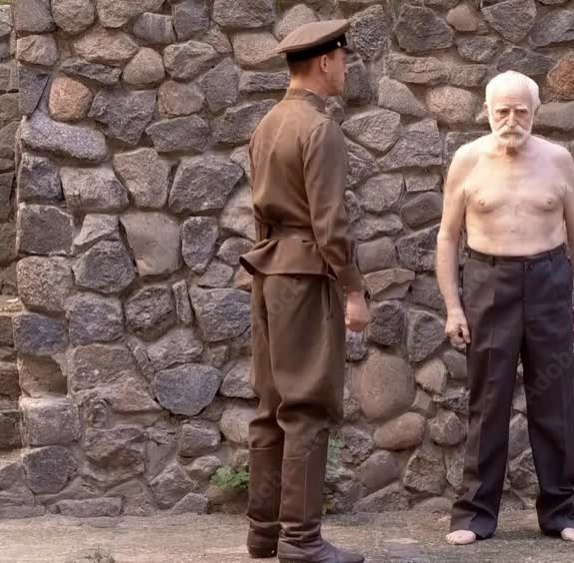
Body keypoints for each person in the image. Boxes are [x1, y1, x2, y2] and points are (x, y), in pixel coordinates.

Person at [435, 70, 574, 546]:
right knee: (488, 400)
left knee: (555, 400)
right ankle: (473, 515)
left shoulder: (558, 160)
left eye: (521, 111)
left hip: (548, 282)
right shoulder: (467, 160)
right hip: (488, 283)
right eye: (502, 111)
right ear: (486, 111)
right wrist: (453, 307)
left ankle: (561, 513)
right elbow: (447, 237)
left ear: (536, 112)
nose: (511, 120)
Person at [238, 19, 369, 563]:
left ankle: (264, 533)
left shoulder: (267, 123)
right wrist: (354, 290)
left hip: (268, 272)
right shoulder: (320, 129)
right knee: (308, 406)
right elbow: (331, 224)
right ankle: (301, 540)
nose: (346, 69)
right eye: (343, 60)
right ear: (325, 62)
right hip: (306, 275)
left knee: (271, 405)